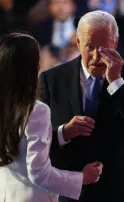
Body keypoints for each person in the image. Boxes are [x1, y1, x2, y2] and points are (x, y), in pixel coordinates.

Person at [39, 10, 124, 202]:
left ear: (116, 43)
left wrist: (117, 83)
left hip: (118, 191)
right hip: (69, 192)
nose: (96, 57)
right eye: (89, 47)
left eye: (103, 49)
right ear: (77, 42)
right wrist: (64, 132)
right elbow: (35, 140)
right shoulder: (51, 80)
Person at [0, 33, 102, 202]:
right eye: (39, 56)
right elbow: (38, 173)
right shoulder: (36, 110)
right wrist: (81, 178)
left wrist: (63, 133)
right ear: (32, 67)